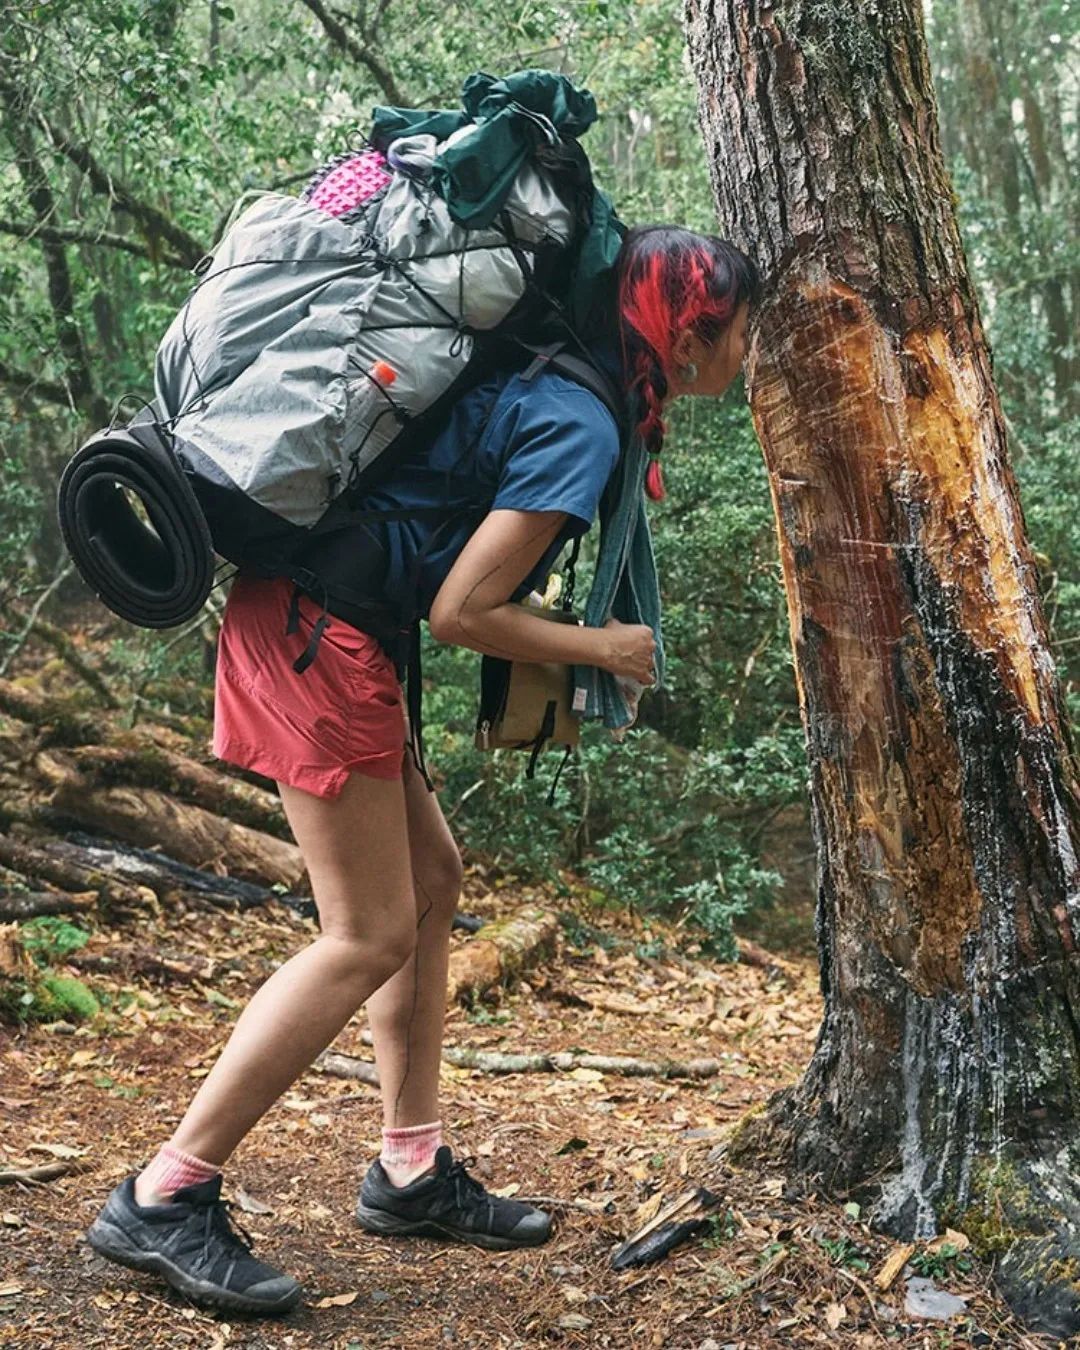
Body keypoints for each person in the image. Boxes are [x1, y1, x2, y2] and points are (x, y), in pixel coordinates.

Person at [85, 224, 760, 1315]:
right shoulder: (581, 422)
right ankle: (167, 1191)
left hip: (322, 623)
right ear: (688, 337)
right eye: (744, 333)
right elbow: (462, 612)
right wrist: (602, 647)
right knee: (367, 934)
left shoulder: (556, 380)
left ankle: (408, 1168)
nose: (749, 354)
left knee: (432, 883)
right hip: (319, 640)